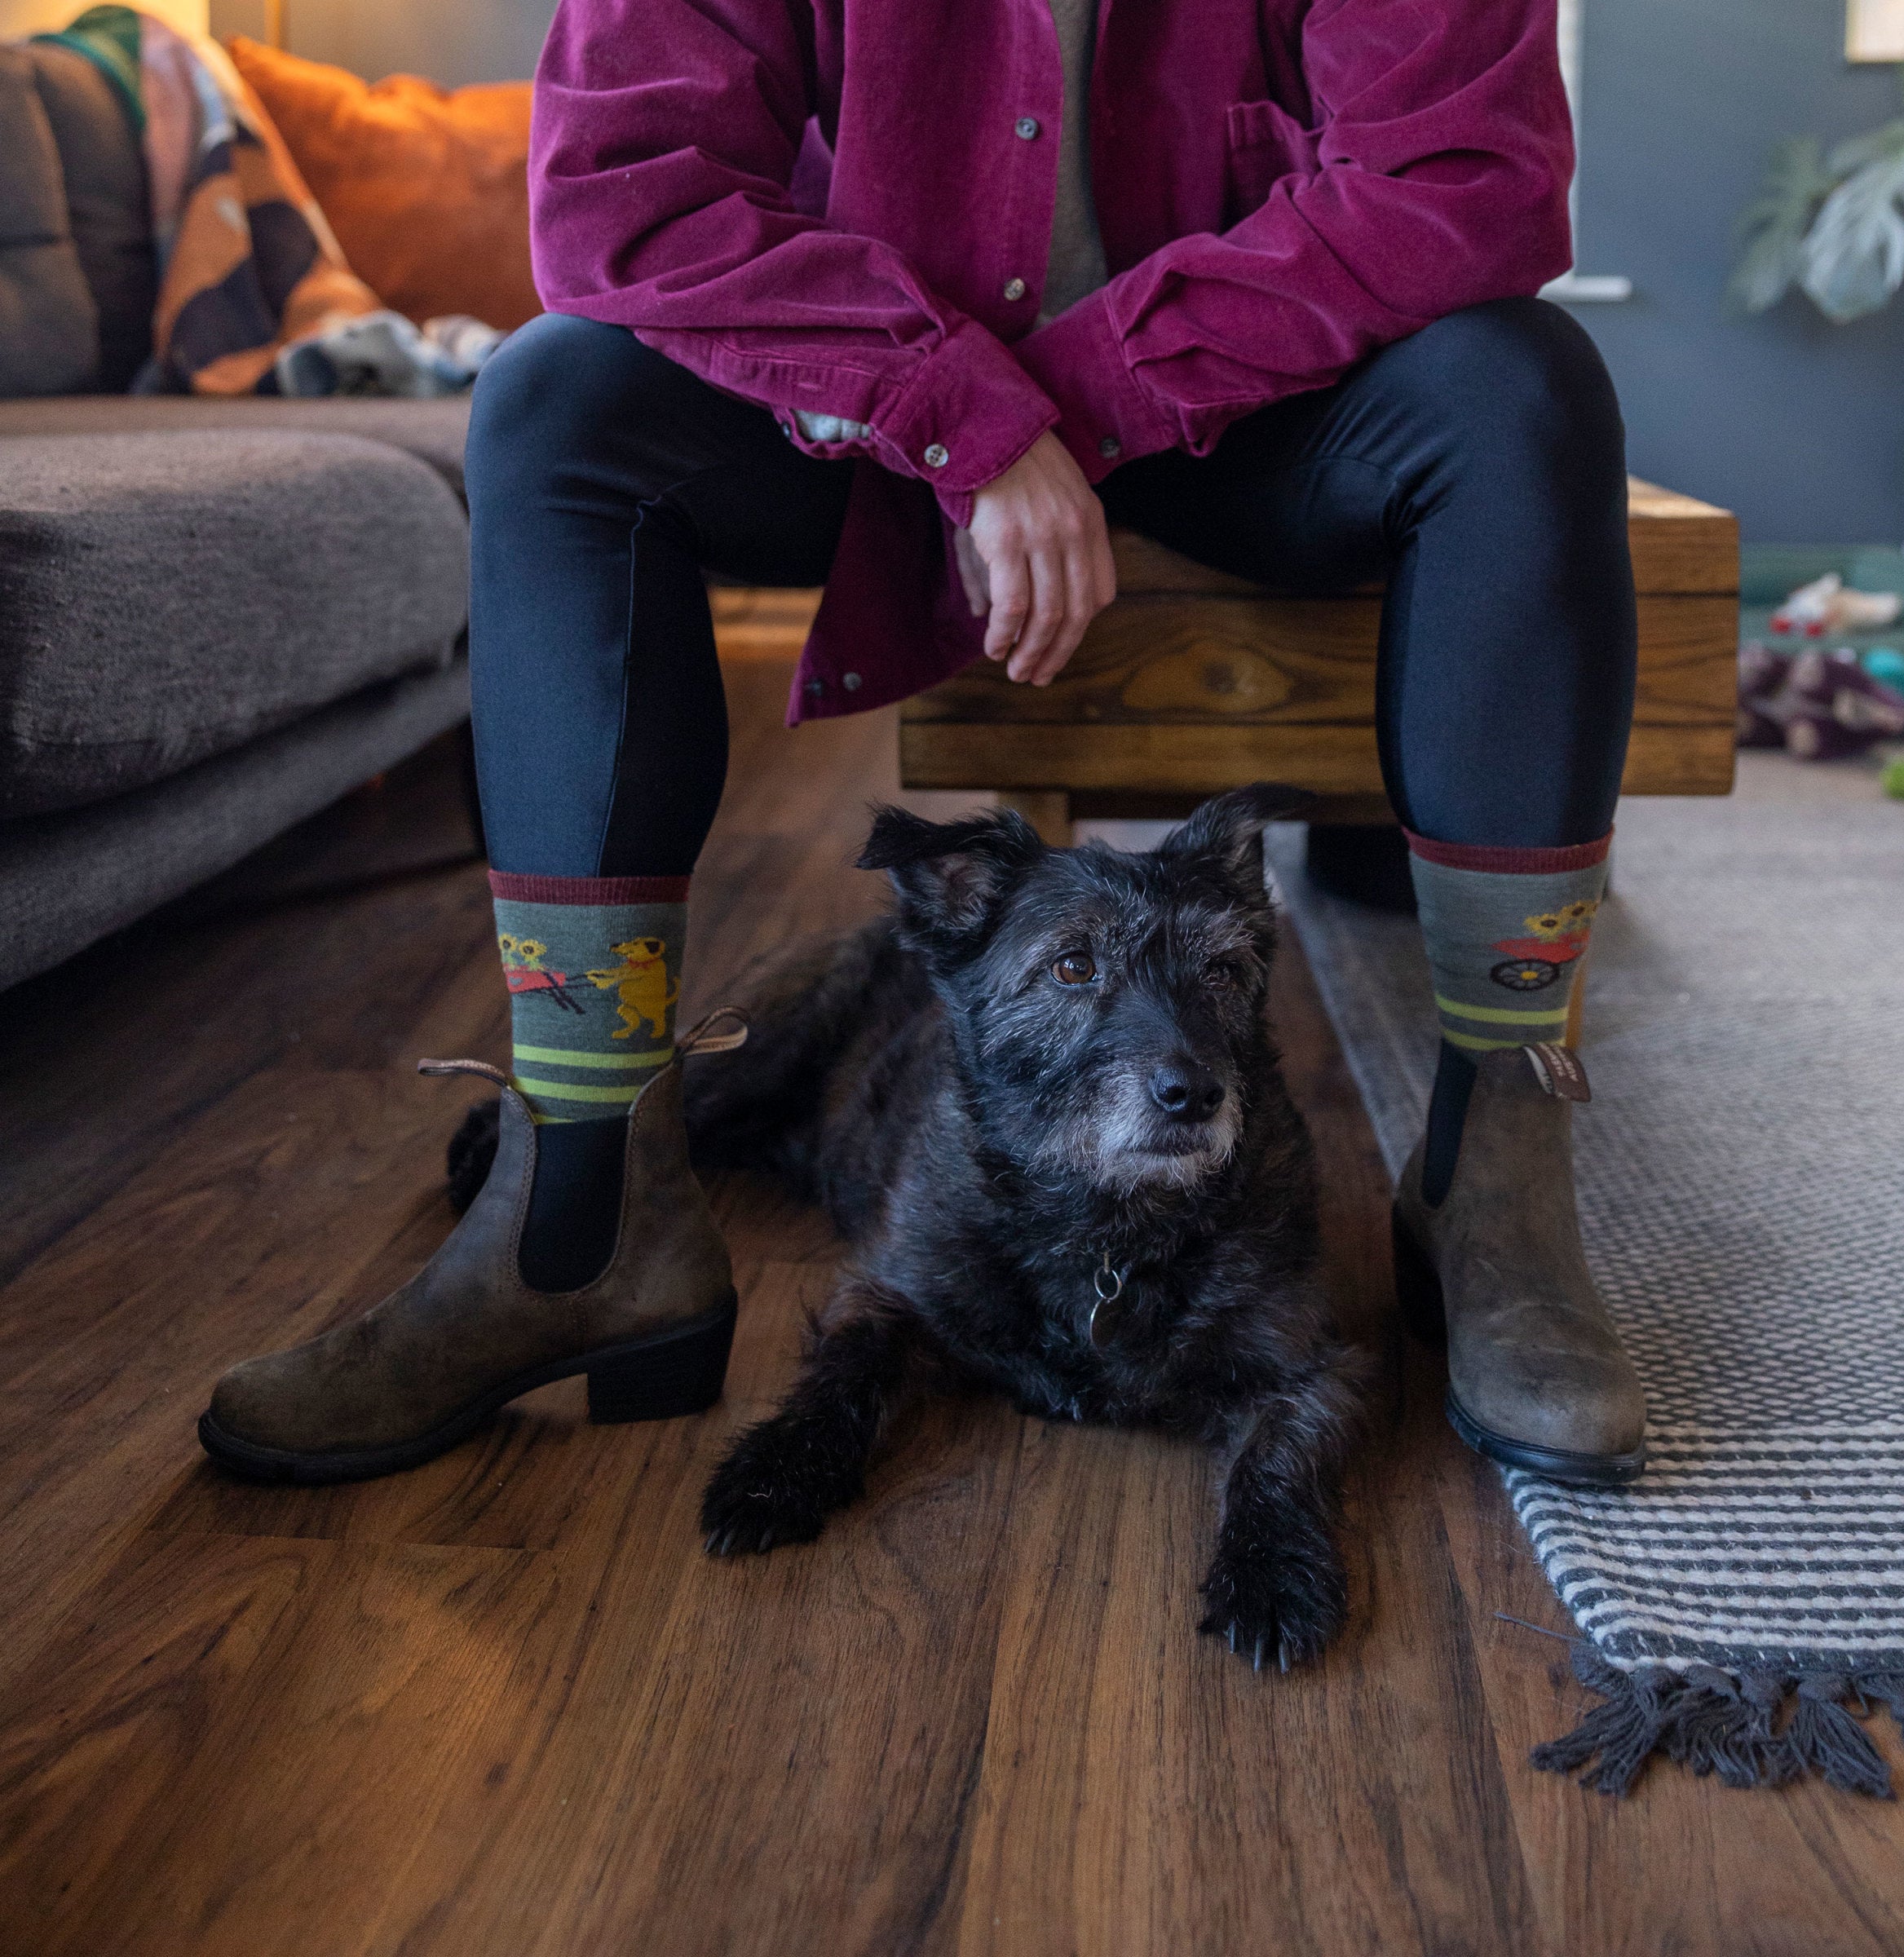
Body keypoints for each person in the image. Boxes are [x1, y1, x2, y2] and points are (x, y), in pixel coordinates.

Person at [199, 0, 1647, 1491]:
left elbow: (1466, 179)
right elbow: (626, 192)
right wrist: (958, 413)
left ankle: (1496, 1175)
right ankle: (586, 1205)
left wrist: (1061, 406)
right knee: (553, 401)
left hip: (1263, 402)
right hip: (867, 406)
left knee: (1520, 387)